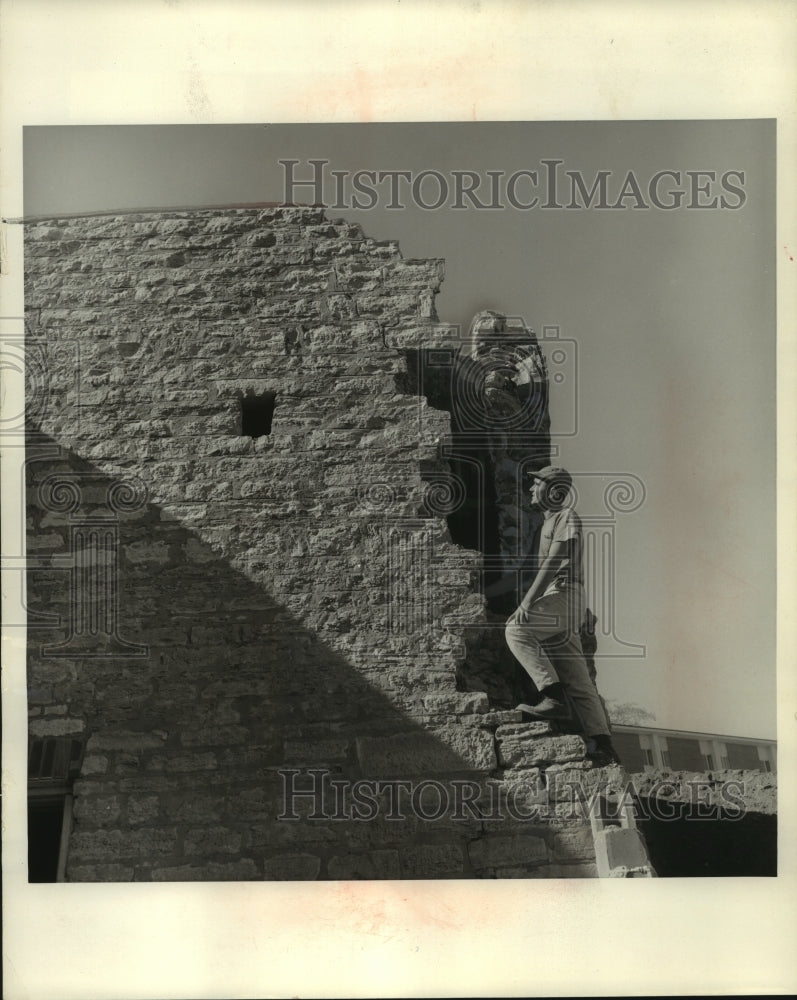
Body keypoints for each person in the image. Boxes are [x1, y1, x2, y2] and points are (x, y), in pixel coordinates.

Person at [505, 466, 620, 766]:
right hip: (562, 603)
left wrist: (526, 605)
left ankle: (553, 698)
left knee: (516, 630)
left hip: (566, 596)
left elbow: (555, 560)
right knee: (579, 681)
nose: (531, 489)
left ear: (554, 490)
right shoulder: (546, 523)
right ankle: (605, 744)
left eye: (537, 484)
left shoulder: (565, 515)